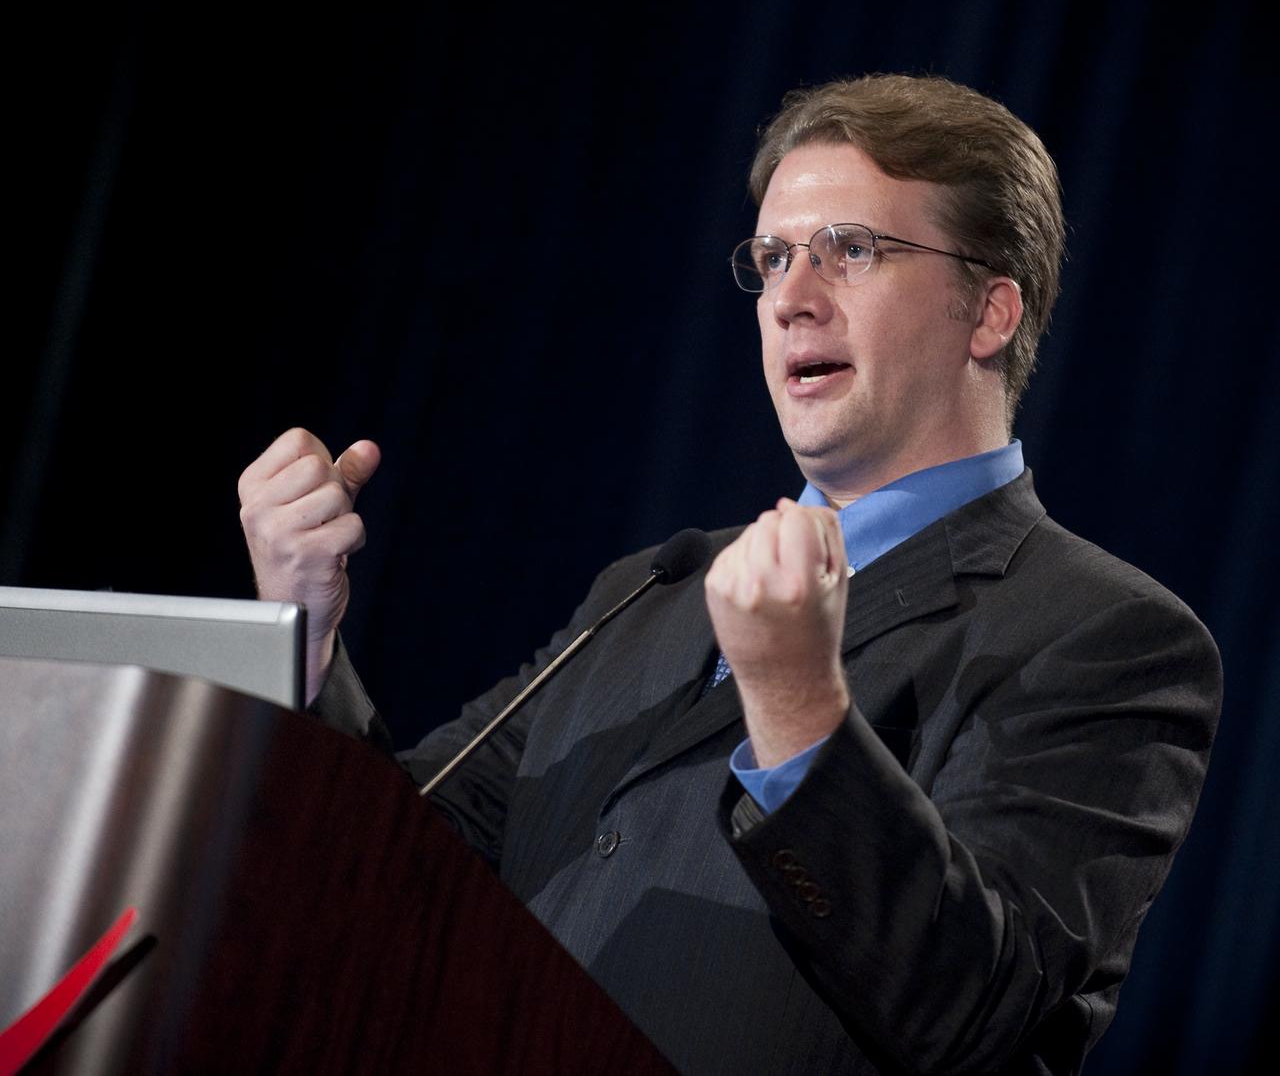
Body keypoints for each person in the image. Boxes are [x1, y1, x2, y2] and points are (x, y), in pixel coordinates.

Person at [237, 75, 1222, 1075]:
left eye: (851, 249)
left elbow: (973, 1016)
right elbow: (401, 868)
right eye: (772, 257)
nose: (791, 297)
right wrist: (303, 632)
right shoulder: (654, 585)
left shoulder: (1107, 637)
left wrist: (797, 705)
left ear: (988, 310)